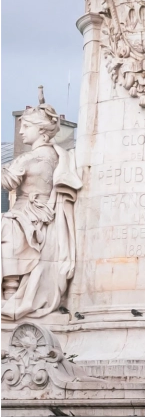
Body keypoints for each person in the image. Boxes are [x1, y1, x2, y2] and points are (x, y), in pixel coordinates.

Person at [0, 90, 81, 321]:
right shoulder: (60, 156)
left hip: (27, 212)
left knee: (6, 226)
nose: (21, 131)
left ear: (41, 130)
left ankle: (10, 292)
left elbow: (8, 182)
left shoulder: (30, 158)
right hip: (46, 213)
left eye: (26, 126)